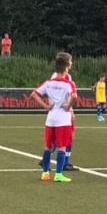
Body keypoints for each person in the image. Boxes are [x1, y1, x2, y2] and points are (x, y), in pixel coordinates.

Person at [30, 55, 76, 183]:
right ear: (66, 68)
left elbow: (33, 94)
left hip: (50, 119)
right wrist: (68, 107)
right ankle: (58, 174)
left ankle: (45, 173)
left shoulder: (48, 82)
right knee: (62, 147)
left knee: (48, 147)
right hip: (63, 119)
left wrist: (45, 106)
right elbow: (74, 96)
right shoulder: (68, 83)